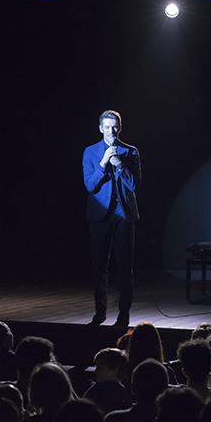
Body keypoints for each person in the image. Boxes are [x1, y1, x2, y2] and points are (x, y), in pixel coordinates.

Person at [83, 109, 141, 327]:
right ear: (100, 129)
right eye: (107, 127)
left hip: (123, 215)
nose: (111, 131)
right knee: (99, 266)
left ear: (120, 127)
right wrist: (103, 163)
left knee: (125, 266)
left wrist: (119, 163)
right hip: (99, 217)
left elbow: (135, 185)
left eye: (114, 126)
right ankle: (100, 313)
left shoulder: (131, 151)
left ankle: (123, 314)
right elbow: (90, 185)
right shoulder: (90, 152)